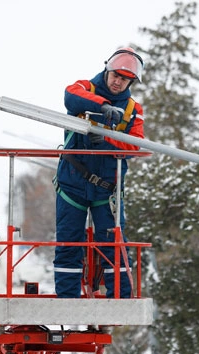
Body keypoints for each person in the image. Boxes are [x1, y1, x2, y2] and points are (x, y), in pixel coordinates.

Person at [53, 47, 145, 299]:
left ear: (131, 82)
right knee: (68, 242)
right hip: (72, 183)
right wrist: (103, 106)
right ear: (107, 70)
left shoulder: (133, 110)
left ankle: (120, 301)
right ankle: (67, 301)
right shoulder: (85, 88)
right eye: (116, 75)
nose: (118, 82)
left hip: (107, 190)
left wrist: (106, 141)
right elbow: (70, 95)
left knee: (114, 245)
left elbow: (135, 146)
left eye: (124, 79)